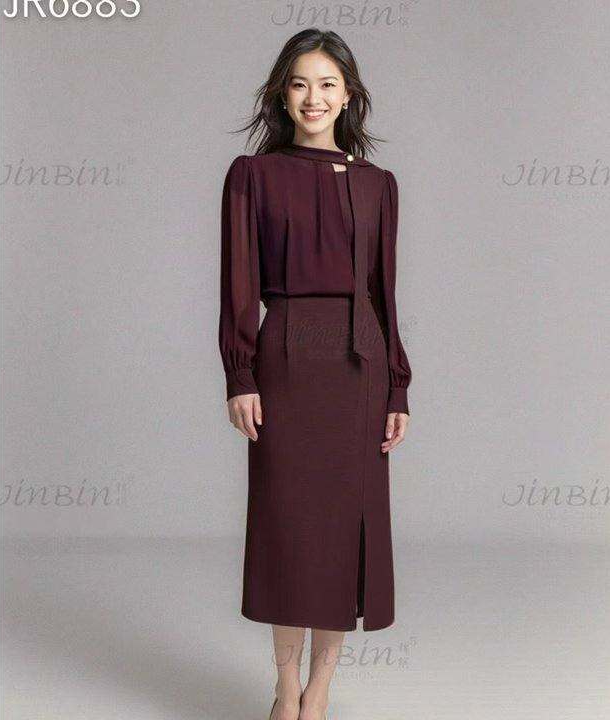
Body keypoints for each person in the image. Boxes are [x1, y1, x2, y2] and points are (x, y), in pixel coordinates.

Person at [218, 28, 412, 720]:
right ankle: (284, 686)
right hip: (286, 358)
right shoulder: (253, 176)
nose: (313, 97)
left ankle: (319, 690)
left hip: (360, 365)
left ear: (348, 95)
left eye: (328, 84)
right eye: (300, 83)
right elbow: (239, 284)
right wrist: (240, 374)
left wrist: (398, 384)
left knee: (342, 532)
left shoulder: (378, 185)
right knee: (289, 528)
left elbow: (385, 294)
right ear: (282, 94)